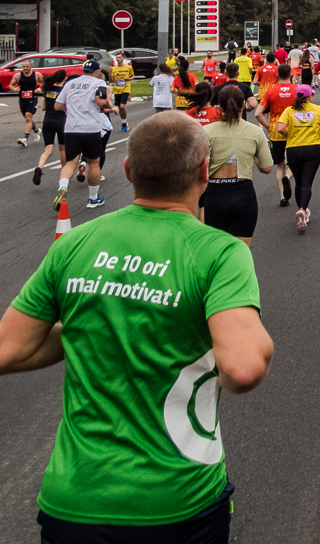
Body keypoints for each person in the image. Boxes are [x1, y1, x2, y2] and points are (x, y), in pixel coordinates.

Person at [0, 111, 273, 542]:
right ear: (204, 170)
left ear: (128, 171)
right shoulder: (220, 252)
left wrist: (98, 321)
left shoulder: (73, 243)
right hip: (179, 501)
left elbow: (8, 350)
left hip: (74, 502)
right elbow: (242, 369)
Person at [205, 84, 273, 244]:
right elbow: (266, 168)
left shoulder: (206, 131)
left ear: (219, 105)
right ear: (244, 104)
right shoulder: (256, 132)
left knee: (216, 250)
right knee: (241, 252)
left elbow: (197, 169)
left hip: (215, 194)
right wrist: (250, 153)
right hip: (243, 193)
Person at [53, 59, 111, 211]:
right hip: (91, 128)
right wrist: (109, 105)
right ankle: (93, 198)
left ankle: (63, 187)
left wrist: (71, 108)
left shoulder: (70, 83)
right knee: (93, 162)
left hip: (71, 128)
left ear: (83, 70)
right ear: (97, 71)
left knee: (70, 163)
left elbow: (57, 105)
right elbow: (102, 103)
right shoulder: (99, 84)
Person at [275, 85, 320, 234]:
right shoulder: (318, 110)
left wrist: (291, 134)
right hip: (312, 148)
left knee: (299, 181)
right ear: (309, 96)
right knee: (307, 183)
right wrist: (316, 134)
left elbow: (280, 128)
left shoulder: (289, 110)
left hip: (294, 149)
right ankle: (303, 210)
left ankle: (302, 211)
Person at [255, 64, 297, 208]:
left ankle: (283, 198)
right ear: (291, 75)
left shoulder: (270, 91)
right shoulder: (297, 90)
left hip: (276, 131)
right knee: (295, 162)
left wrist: (267, 126)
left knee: (280, 165)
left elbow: (257, 113)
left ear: (277, 75)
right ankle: (289, 176)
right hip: (294, 130)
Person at [33, 70, 67, 187]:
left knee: (48, 150)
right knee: (62, 149)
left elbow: (43, 107)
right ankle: (64, 173)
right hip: (61, 121)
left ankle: (39, 167)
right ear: (64, 78)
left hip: (47, 121)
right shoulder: (64, 90)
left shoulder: (47, 89)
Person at [13, 58, 42, 146]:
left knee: (28, 118)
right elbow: (11, 85)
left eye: (27, 66)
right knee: (28, 119)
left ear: (31, 66)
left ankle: (25, 139)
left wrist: (40, 88)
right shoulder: (18, 75)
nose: (25, 68)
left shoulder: (36, 74)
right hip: (22, 99)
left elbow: (44, 82)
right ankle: (36, 130)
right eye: (24, 66)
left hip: (32, 98)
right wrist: (15, 89)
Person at [109, 51, 135, 132]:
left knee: (122, 106)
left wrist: (129, 79)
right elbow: (112, 81)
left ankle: (124, 122)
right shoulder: (113, 68)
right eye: (117, 58)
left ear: (123, 58)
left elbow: (133, 76)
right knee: (120, 107)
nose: (118, 59)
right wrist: (110, 73)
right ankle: (124, 121)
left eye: (120, 57)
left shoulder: (128, 67)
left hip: (125, 88)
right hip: (117, 89)